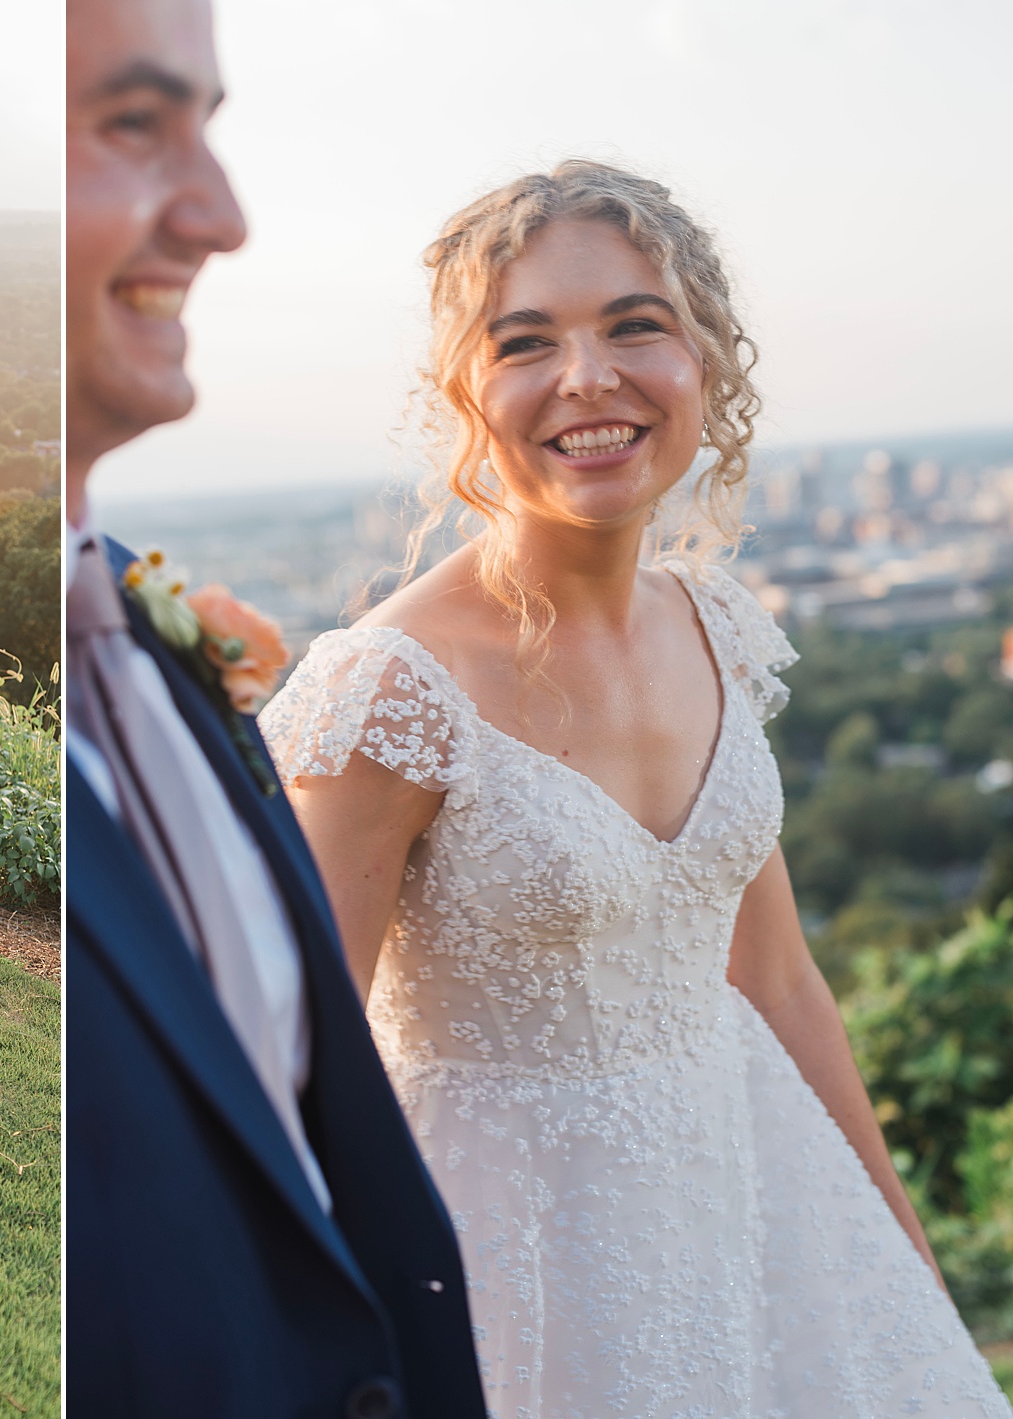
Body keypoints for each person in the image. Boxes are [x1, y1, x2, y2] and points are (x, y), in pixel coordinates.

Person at [261, 160, 1012, 1417]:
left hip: (752, 1223)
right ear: (466, 394)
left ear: (705, 360)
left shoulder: (719, 627)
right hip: (514, 1289)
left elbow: (775, 982)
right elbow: (290, 1069)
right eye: (525, 342)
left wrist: (900, 1261)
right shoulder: (388, 691)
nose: (587, 378)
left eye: (634, 325)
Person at [65, 1, 488, 1414]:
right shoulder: (378, 674)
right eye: (134, 123)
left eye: (210, 127)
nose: (225, 217)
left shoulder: (151, 631)